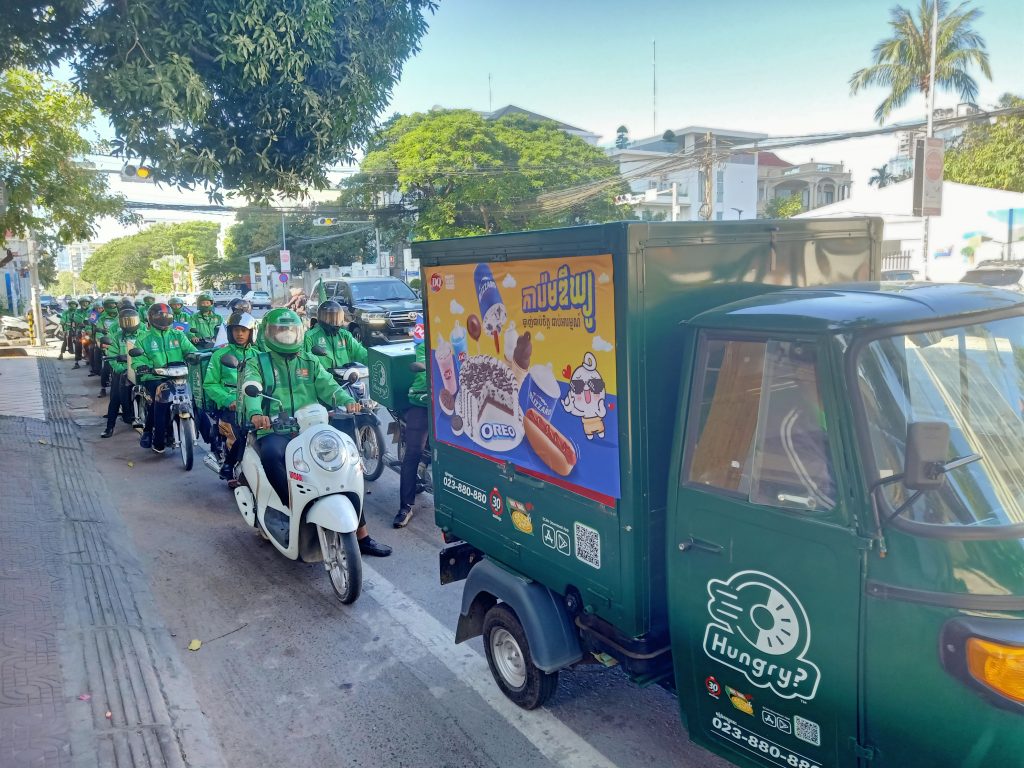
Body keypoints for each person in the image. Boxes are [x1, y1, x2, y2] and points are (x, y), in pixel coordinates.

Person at [241, 308, 391, 557]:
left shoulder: (309, 361)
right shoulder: (259, 361)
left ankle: (362, 534)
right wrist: (257, 414)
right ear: (269, 333)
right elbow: (252, 386)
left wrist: (347, 400)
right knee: (271, 456)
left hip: (311, 428)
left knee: (344, 465)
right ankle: (291, 509)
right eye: (280, 331)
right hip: (274, 430)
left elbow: (329, 386)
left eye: (290, 331)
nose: (286, 336)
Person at [132, 303, 199, 453]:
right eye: (159, 317)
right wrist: (144, 366)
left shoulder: (178, 335)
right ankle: (153, 435)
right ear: (151, 318)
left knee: (195, 399)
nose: (163, 319)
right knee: (159, 404)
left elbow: (190, 350)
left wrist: (194, 356)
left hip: (178, 374)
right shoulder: (144, 338)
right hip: (154, 377)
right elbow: (138, 359)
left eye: (166, 316)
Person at [203, 312, 259, 482]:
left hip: (255, 403)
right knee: (240, 432)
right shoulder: (220, 355)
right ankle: (229, 464)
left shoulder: (258, 355)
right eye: (235, 330)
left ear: (251, 332)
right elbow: (210, 384)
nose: (239, 334)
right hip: (230, 405)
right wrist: (229, 400)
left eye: (243, 330)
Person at [395, 313, 429, 529]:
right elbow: (422, 361)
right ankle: (405, 506)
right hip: (422, 398)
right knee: (413, 452)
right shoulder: (424, 335)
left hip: (450, 401)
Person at [101, 309, 142, 438]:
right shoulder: (116, 336)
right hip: (123, 371)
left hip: (142, 369)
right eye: (125, 321)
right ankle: (110, 427)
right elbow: (112, 356)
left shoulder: (145, 334)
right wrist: (120, 367)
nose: (129, 324)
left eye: (132, 321)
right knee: (115, 398)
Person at [303, 301, 367, 368]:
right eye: (330, 319)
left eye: (337, 318)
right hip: (322, 377)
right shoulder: (310, 337)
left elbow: (361, 352)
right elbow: (306, 363)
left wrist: (374, 359)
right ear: (320, 318)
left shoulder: (345, 335)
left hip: (346, 376)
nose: (334, 322)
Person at [95, 297, 121, 397]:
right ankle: (103, 388)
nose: (112, 307)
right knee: (106, 367)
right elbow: (99, 336)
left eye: (114, 305)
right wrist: (102, 345)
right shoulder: (102, 318)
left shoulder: (121, 317)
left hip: (121, 345)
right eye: (109, 305)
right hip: (108, 345)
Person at [71, 296, 92, 369]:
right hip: (80, 330)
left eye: (86, 302)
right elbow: (76, 318)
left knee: (89, 343)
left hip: (89, 330)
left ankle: (90, 359)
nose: (85, 304)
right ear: (80, 303)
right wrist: (82, 322)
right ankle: (77, 361)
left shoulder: (91, 311)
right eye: (83, 302)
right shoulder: (77, 311)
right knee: (78, 344)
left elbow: (93, 319)